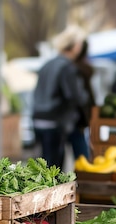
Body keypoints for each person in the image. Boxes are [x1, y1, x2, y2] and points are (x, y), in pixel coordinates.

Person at [32, 26, 88, 169]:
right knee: (54, 171)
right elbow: (75, 96)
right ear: (75, 46)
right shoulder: (67, 67)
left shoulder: (47, 64)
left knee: (43, 168)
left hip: (39, 119)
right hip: (55, 122)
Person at [69, 39, 95, 160]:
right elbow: (80, 97)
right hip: (76, 119)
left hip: (75, 118)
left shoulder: (74, 68)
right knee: (82, 156)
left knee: (81, 155)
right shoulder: (75, 69)